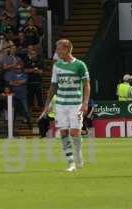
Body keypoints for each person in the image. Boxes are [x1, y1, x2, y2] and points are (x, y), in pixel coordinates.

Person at [40, 39, 90, 172]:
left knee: (74, 133)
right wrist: (47, 105)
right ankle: (71, 163)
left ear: (67, 49)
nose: (57, 51)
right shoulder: (57, 66)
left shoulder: (80, 65)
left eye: (59, 49)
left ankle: (78, 154)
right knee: (63, 132)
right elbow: (53, 86)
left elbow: (86, 85)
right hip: (61, 104)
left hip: (75, 104)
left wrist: (85, 103)